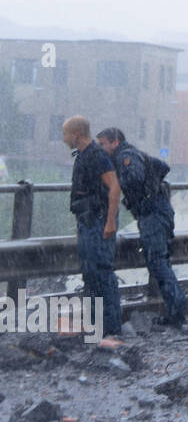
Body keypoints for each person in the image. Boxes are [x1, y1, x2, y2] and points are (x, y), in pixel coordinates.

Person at [95, 127, 188, 328]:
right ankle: (176, 312)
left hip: (153, 214)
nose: (102, 148)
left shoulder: (125, 155)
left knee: (158, 262)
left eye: (103, 144)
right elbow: (162, 167)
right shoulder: (130, 154)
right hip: (157, 211)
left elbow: (134, 176)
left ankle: (178, 314)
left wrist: (115, 187)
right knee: (160, 262)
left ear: (115, 141)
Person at [62, 116, 123, 341]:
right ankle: (96, 325)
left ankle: (109, 327)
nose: (63, 139)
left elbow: (115, 187)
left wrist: (110, 222)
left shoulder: (96, 156)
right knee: (91, 273)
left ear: (75, 134)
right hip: (88, 222)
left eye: (65, 134)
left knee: (101, 273)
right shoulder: (84, 156)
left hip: (98, 222)